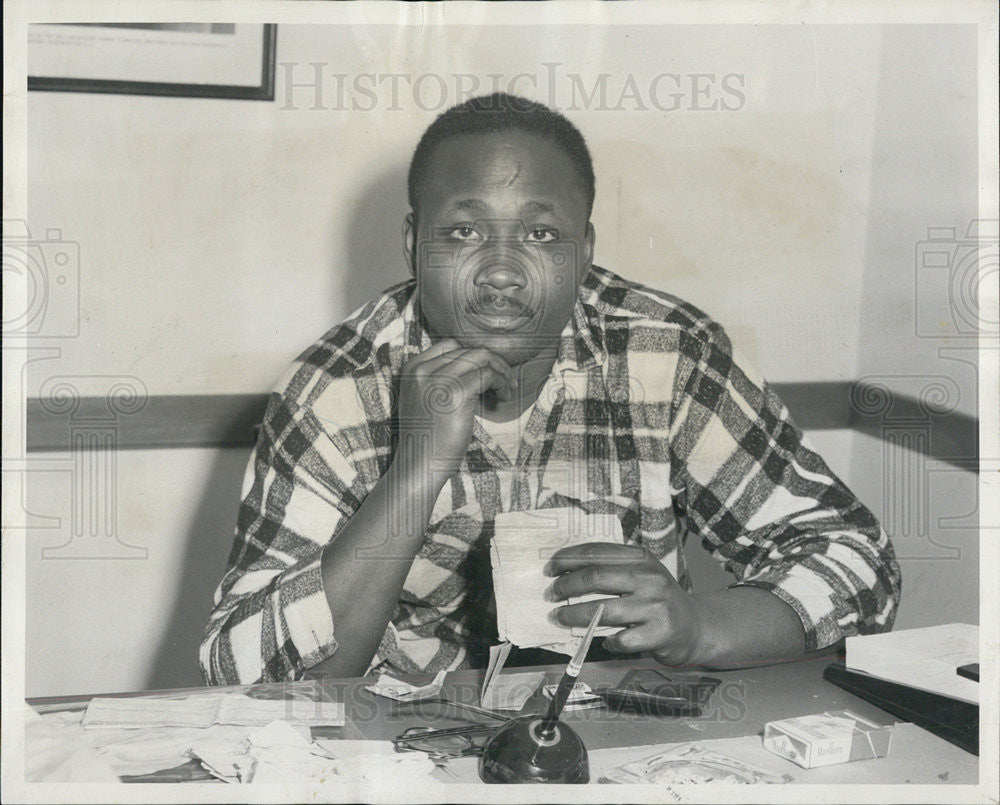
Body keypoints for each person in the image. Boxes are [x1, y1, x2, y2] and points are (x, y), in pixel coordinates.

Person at [200, 93, 900, 685]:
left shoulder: (667, 353)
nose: (501, 269)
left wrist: (699, 627)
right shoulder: (335, 389)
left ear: (584, 248)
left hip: (626, 740)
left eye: (540, 232)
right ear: (414, 241)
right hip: (394, 751)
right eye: (465, 230)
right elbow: (243, 676)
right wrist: (414, 472)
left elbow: (857, 560)